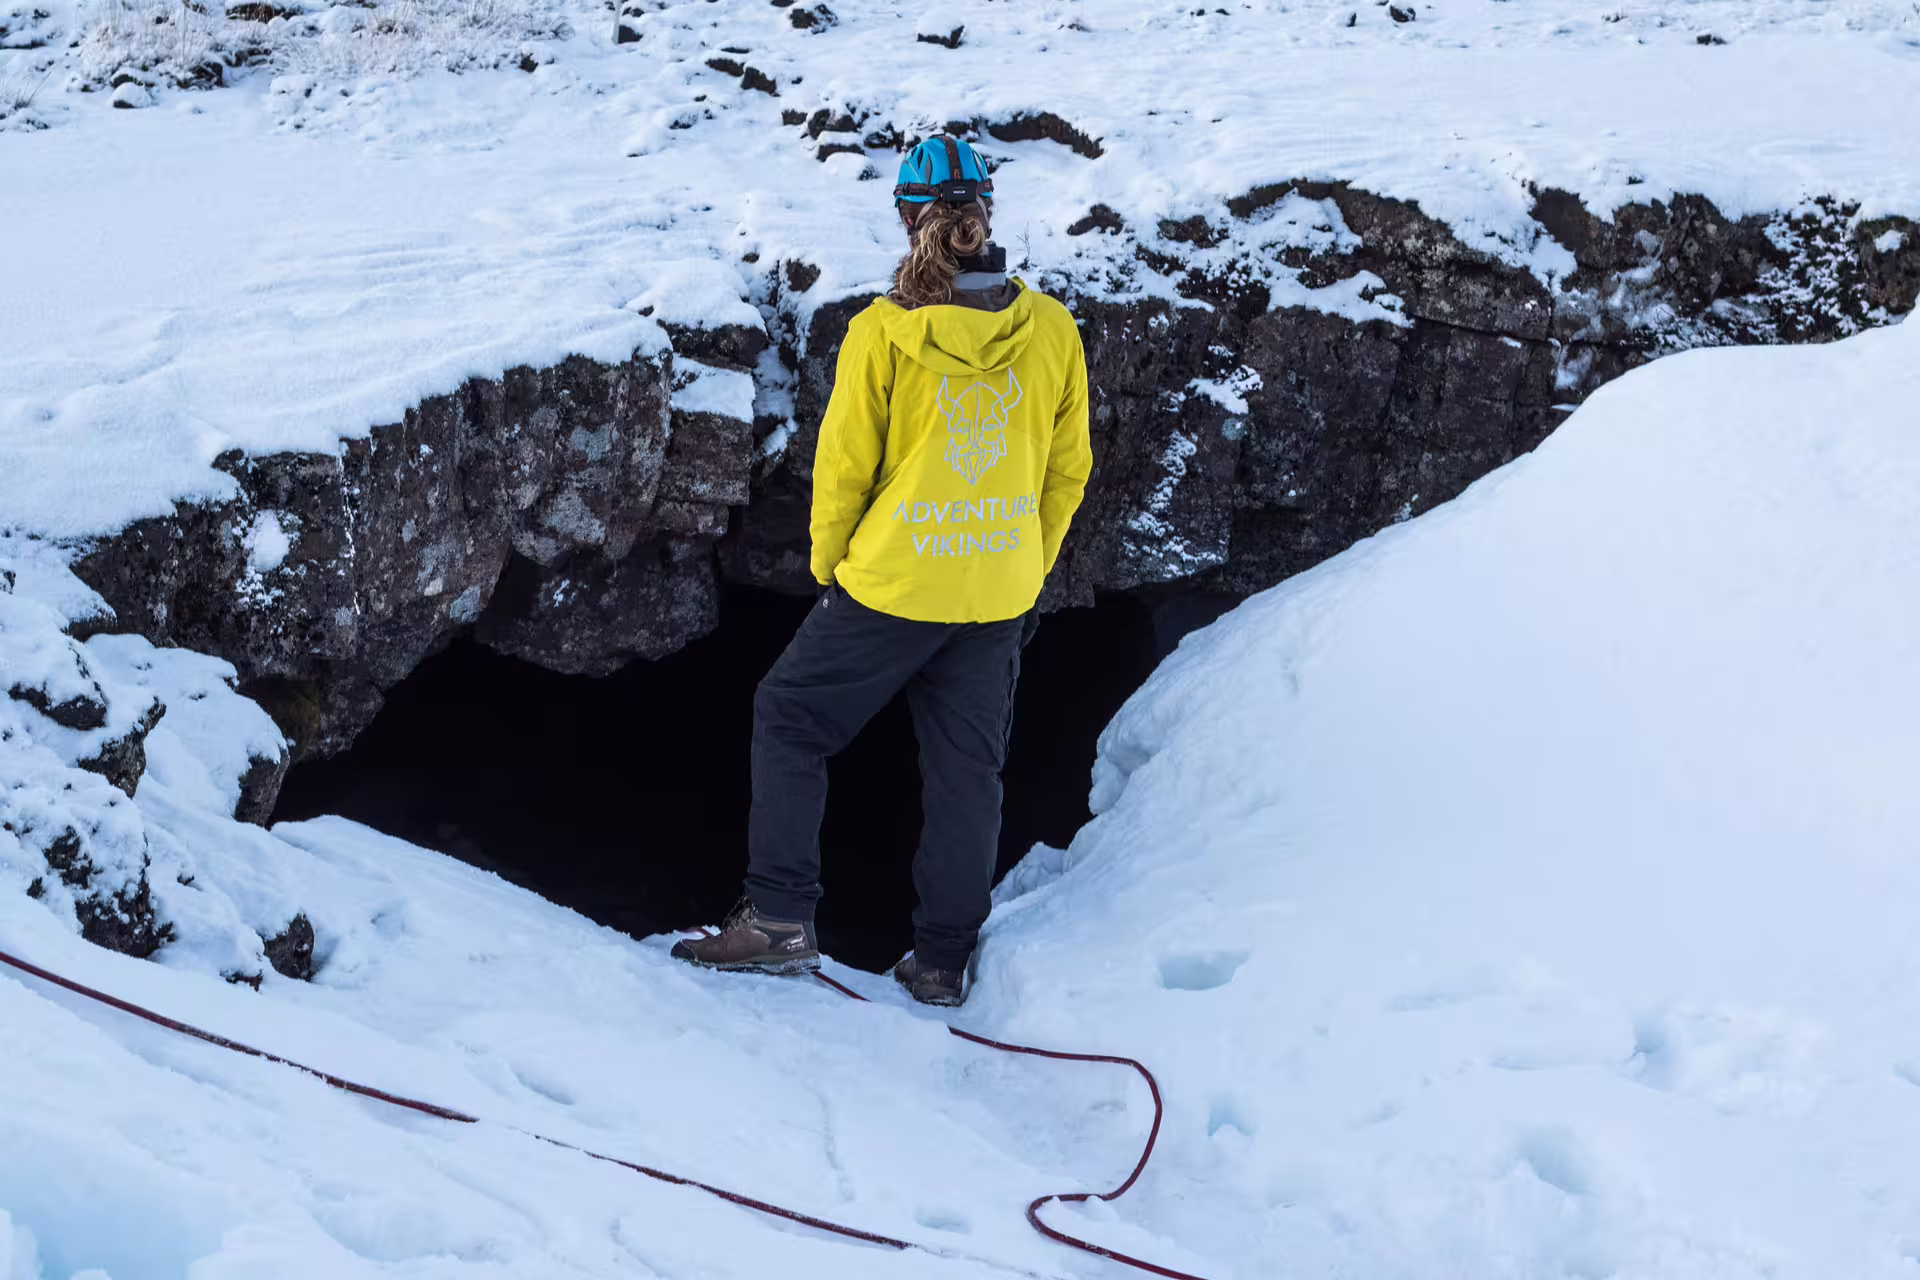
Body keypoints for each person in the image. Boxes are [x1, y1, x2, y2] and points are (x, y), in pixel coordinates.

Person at [672, 135, 1094, 1006]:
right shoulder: (1050, 328)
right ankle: (942, 964)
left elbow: (845, 470)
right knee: (966, 774)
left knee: (789, 718)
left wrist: (833, 567)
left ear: (909, 221)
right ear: (987, 211)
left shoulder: (884, 332)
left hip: (895, 583)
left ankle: (781, 921)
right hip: (994, 592)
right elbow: (1067, 469)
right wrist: (1023, 561)